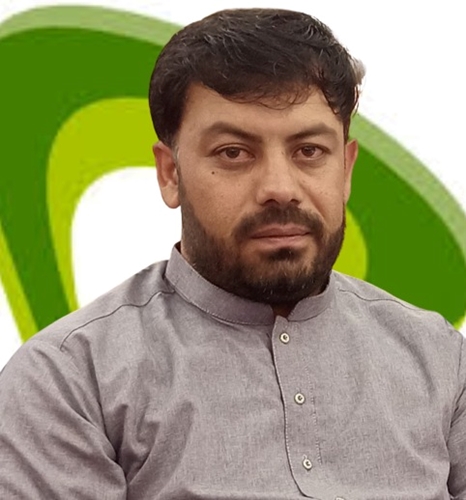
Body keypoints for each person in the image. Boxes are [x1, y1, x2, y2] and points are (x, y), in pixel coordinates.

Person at [0, 7, 464, 500]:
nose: (280, 188)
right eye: (234, 153)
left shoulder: (439, 358)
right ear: (170, 174)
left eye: (309, 151)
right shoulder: (70, 379)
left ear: (346, 169)